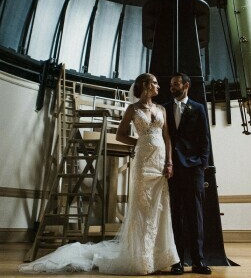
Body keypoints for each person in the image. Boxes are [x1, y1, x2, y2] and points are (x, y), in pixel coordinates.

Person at [19, 73, 179, 275]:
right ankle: (141, 258)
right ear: (145, 85)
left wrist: (170, 162)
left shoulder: (161, 109)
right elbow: (120, 135)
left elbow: (167, 138)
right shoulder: (133, 109)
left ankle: (158, 258)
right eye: (154, 82)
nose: (158, 85)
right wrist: (138, 143)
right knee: (141, 210)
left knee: (159, 209)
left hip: (159, 164)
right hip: (142, 163)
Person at [164, 72, 212, 275]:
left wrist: (201, 164)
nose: (172, 87)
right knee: (175, 216)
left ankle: (198, 261)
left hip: (194, 169)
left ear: (186, 85)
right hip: (171, 170)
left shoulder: (199, 108)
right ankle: (178, 261)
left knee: (195, 216)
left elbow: (205, 139)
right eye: (171, 84)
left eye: (176, 84)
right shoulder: (164, 109)